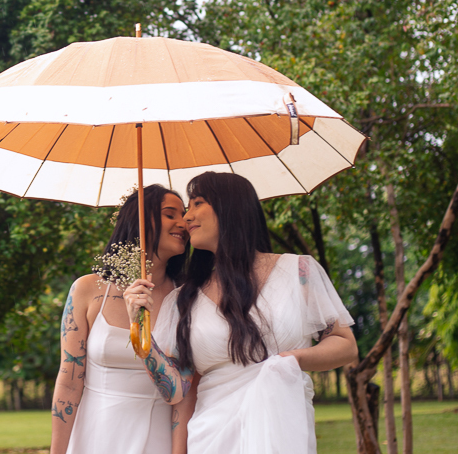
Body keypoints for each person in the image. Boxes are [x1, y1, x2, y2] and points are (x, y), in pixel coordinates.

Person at [124, 171, 358, 454]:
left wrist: (288, 361)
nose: (186, 217)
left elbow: (345, 344)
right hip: (213, 437)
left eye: (197, 203)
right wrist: (139, 332)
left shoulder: (299, 271)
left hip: (283, 431)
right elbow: (175, 391)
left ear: (229, 207)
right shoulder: (183, 300)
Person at [51, 184, 190, 454]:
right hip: (95, 435)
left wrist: (141, 331)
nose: (183, 223)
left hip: (158, 439)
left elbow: (179, 393)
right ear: (139, 220)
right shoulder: (88, 290)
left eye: (183, 214)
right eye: (170, 214)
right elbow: (69, 382)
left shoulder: (190, 297)